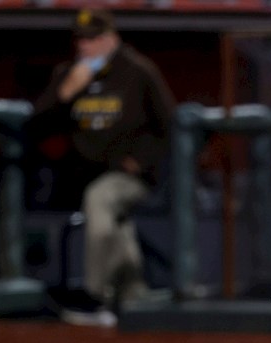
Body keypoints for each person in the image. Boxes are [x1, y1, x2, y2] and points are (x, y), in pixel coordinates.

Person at [30, 8, 175, 326]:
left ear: (111, 38)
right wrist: (65, 94)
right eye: (80, 39)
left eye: (93, 39)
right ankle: (132, 294)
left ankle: (94, 296)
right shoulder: (69, 74)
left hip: (130, 176)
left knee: (101, 199)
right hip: (82, 174)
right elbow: (36, 125)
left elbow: (169, 126)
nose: (85, 46)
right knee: (113, 221)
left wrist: (142, 160)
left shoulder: (137, 71)